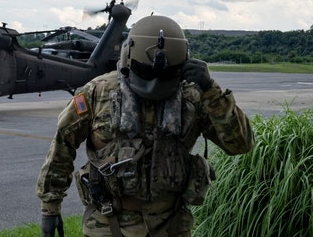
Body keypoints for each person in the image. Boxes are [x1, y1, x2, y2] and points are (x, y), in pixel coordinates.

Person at [36, 15, 255, 237]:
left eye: (165, 75)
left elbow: (241, 144)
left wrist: (212, 90)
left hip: (170, 225)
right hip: (108, 222)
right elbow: (62, 145)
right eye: (146, 72)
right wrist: (50, 208)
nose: (155, 85)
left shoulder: (195, 97)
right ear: (128, 58)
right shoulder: (97, 93)